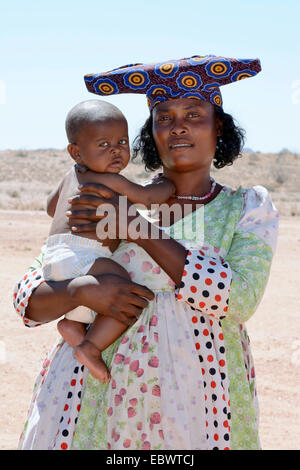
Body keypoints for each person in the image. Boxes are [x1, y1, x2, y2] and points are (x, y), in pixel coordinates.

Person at [13, 55, 279, 450]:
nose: (179, 126)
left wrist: (137, 229)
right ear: (151, 131)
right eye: (164, 117)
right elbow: (29, 297)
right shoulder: (109, 195)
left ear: (218, 124)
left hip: (196, 407)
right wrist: (79, 293)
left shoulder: (247, 208)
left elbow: (237, 299)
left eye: (194, 113)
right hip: (90, 403)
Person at [41, 99, 175, 382]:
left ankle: (74, 325)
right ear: (76, 152)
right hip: (85, 254)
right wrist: (164, 184)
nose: (116, 150)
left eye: (122, 142)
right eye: (103, 145)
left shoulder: (72, 175)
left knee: (103, 288)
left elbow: (51, 207)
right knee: (124, 289)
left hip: (54, 256)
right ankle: (91, 347)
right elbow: (148, 199)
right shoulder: (109, 180)